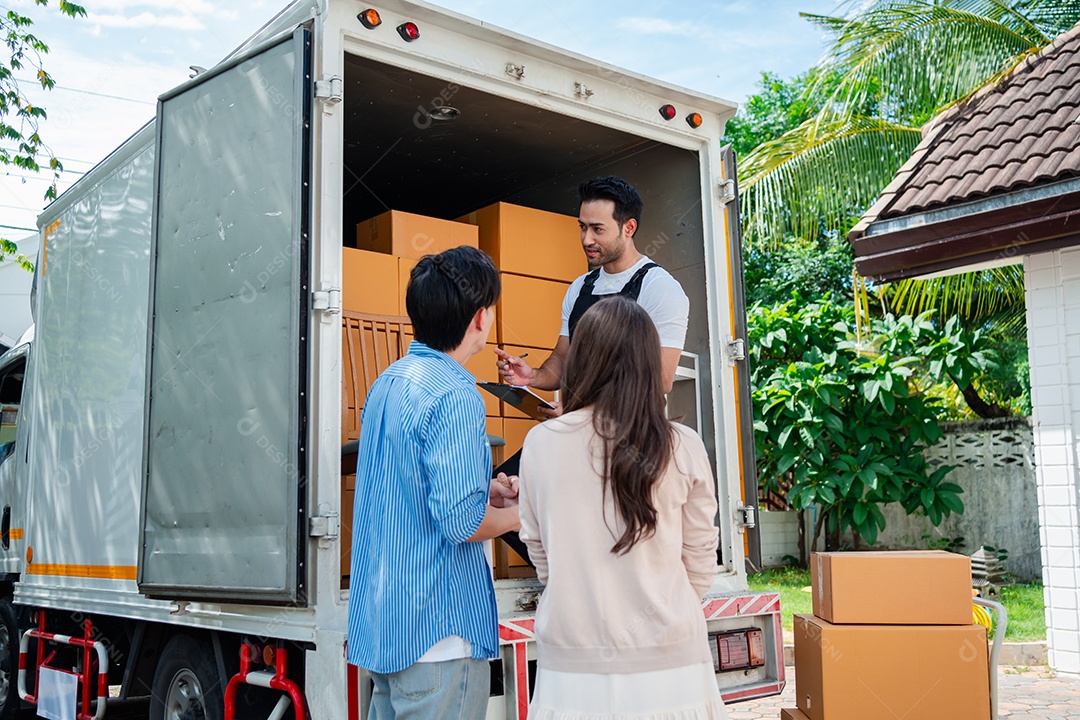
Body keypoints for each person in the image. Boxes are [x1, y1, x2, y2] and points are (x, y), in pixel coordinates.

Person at [518, 296, 727, 720]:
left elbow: (540, 553)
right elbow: (701, 558)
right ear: (649, 364)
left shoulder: (541, 442)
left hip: (572, 668)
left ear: (582, 361)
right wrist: (664, 609)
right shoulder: (681, 445)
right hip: (674, 666)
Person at [347, 245, 521, 719]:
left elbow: (404, 484)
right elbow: (463, 523)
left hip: (387, 629)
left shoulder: (389, 382)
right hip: (439, 636)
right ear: (481, 317)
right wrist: (525, 512)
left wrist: (484, 489)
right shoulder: (456, 392)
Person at [496, 174, 690, 408]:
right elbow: (562, 358)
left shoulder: (659, 287)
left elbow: (661, 380)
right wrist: (533, 376)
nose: (587, 239)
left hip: (631, 435)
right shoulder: (580, 287)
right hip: (580, 429)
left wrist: (583, 413)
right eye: (583, 227)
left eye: (597, 229)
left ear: (628, 228)